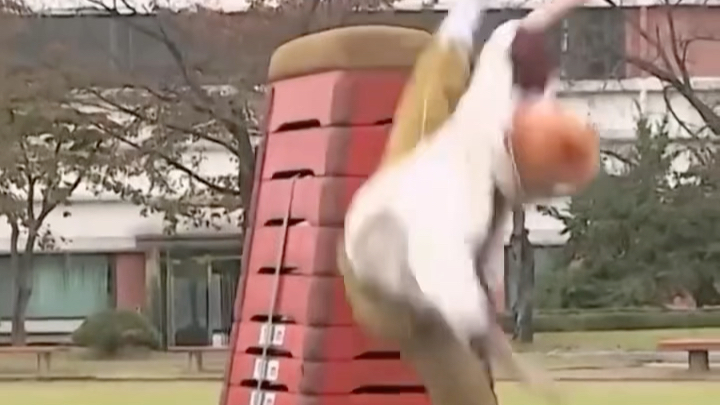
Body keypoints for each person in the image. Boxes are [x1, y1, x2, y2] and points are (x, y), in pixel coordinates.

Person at [338, 1, 591, 404]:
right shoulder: (454, 209)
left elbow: (516, 34)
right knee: (423, 119)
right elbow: (459, 300)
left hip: (444, 197)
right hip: (382, 276)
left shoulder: (510, 98)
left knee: (438, 92)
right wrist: (520, 370)